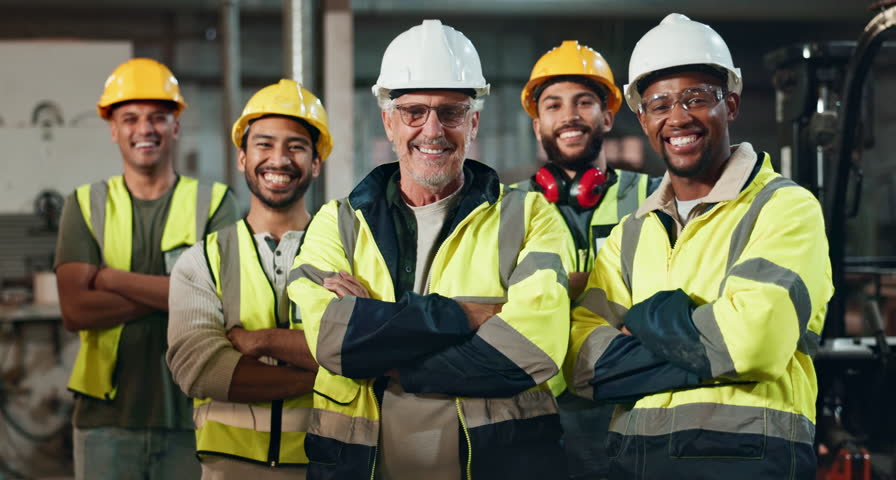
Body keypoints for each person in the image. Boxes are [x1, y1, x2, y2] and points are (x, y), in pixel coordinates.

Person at [286, 19, 574, 480]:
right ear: (388, 121)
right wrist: (469, 315)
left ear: (474, 121)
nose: (433, 130)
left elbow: (530, 349)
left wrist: (383, 346)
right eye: (414, 112)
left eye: (452, 112)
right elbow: (334, 342)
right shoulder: (337, 223)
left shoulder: (530, 218)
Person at [566, 13, 833, 479]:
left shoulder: (784, 207)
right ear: (643, 119)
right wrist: (708, 340)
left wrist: (644, 317)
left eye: (696, 98)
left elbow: (756, 342)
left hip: (748, 460)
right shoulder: (631, 233)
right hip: (635, 463)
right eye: (659, 104)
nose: (678, 117)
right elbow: (583, 365)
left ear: (730, 104)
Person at [54, 58, 241, 480]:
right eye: (130, 118)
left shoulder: (214, 202)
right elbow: (76, 310)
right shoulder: (84, 204)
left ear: (175, 126)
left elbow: (223, 302)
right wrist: (183, 294)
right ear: (113, 129)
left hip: (194, 417)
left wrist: (110, 279)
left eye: (158, 117)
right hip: (105, 420)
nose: (145, 129)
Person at [166, 79, 330, 479]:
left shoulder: (346, 253)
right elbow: (201, 370)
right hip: (229, 469)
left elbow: (369, 354)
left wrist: (259, 342)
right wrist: (324, 375)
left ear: (315, 163)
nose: (279, 158)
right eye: (264, 144)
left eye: (296, 146)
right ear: (242, 158)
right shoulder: (203, 260)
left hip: (326, 464)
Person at [516, 41, 655, 479]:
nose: (569, 116)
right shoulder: (507, 208)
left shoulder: (653, 197)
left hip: (629, 406)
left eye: (584, 102)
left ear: (608, 116)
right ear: (538, 126)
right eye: (553, 105)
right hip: (537, 408)